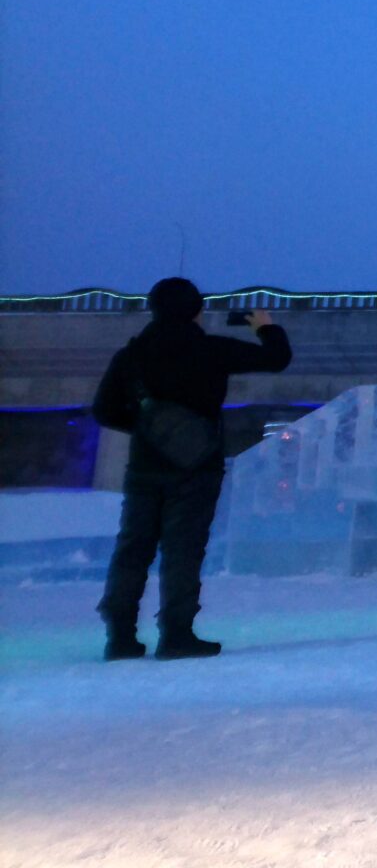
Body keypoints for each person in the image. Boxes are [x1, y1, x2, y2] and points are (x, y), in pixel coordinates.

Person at [90, 278, 292, 661]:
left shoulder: (131, 356)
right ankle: (177, 635)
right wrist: (264, 325)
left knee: (133, 549)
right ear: (197, 311)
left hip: (145, 467)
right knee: (183, 550)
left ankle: (120, 637)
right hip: (197, 467)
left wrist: (151, 428)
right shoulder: (210, 349)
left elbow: (104, 411)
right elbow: (277, 359)